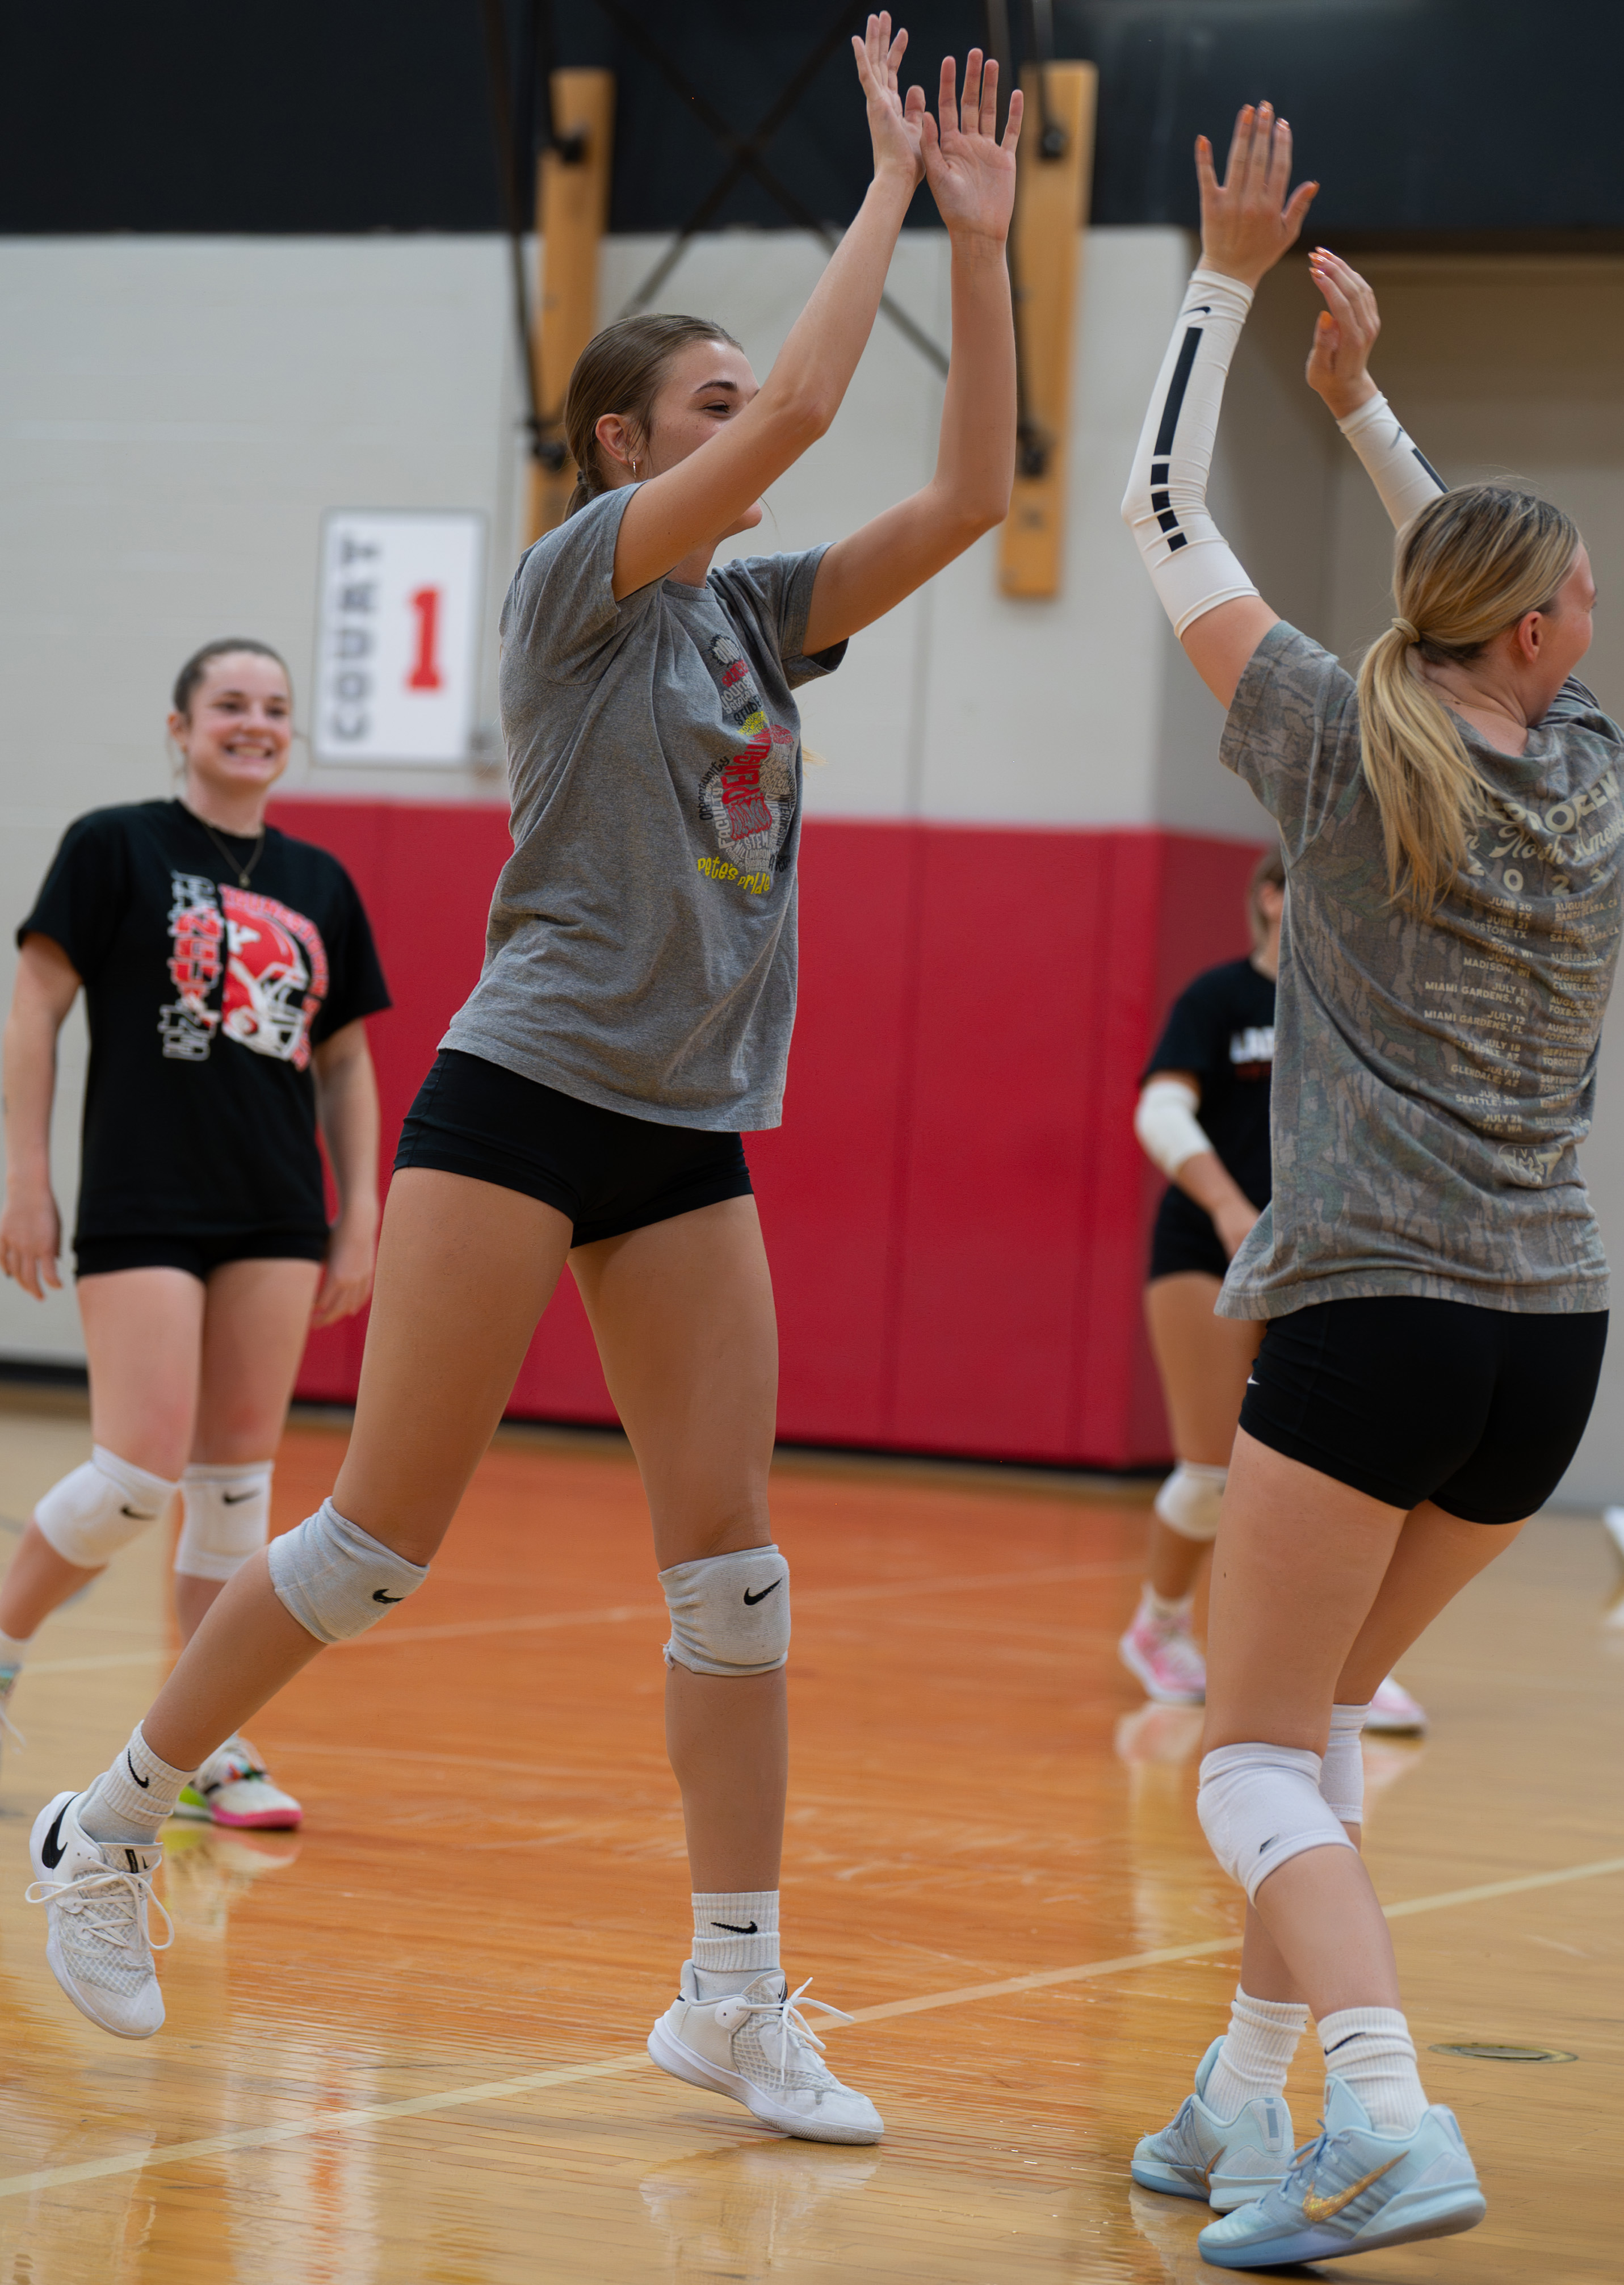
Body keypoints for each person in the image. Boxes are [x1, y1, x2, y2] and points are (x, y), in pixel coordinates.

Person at [25, 18, 1021, 2147]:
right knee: (380, 1541)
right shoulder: (581, 591)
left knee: (732, 1568)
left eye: (745, 409)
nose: (757, 432)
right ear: (618, 447)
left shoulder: (762, 618)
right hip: (526, 1089)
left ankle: (731, 1995)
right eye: (712, 409)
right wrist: (885, 196)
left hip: (683, 1126)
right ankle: (104, 1824)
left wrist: (994, 244)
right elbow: (841, 400)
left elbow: (970, 490)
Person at [1118, 106, 1612, 2263]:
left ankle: (1390, 2114)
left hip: (1372, 1317)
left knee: (1246, 1762)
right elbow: (1476, 593)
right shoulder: (1588, 777)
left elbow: (1153, 507)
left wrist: (1226, 284)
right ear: (1545, 638)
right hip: (1551, 1345)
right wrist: (1375, 411)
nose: (1584, 606)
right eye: (1578, 586)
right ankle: (1239, 2096)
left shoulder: (1325, 737)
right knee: (1303, 1728)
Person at [0, 639, 388, 1829]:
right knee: (134, 1476)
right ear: (181, 726)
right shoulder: (113, 843)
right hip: (142, 1200)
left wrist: (361, 1208)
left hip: (273, 1207)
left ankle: (205, 1745)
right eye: (230, 704)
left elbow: (346, 1062)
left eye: (276, 708)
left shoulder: (320, 880)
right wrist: (24, 1172)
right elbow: (38, 1007)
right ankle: (4, 1640)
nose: (255, 723)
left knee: (233, 1495)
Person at [1124, 852, 1428, 1735]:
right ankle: (1160, 1626)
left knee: (1346, 1474)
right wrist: (1226, 1208)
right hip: (1206, 1253)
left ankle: (1346, 1672)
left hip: (1322, 1259)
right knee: (1211, 1473)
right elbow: (1159, 1111)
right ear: (1270, 897)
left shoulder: (1350, 1005)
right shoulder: (1218, 999)